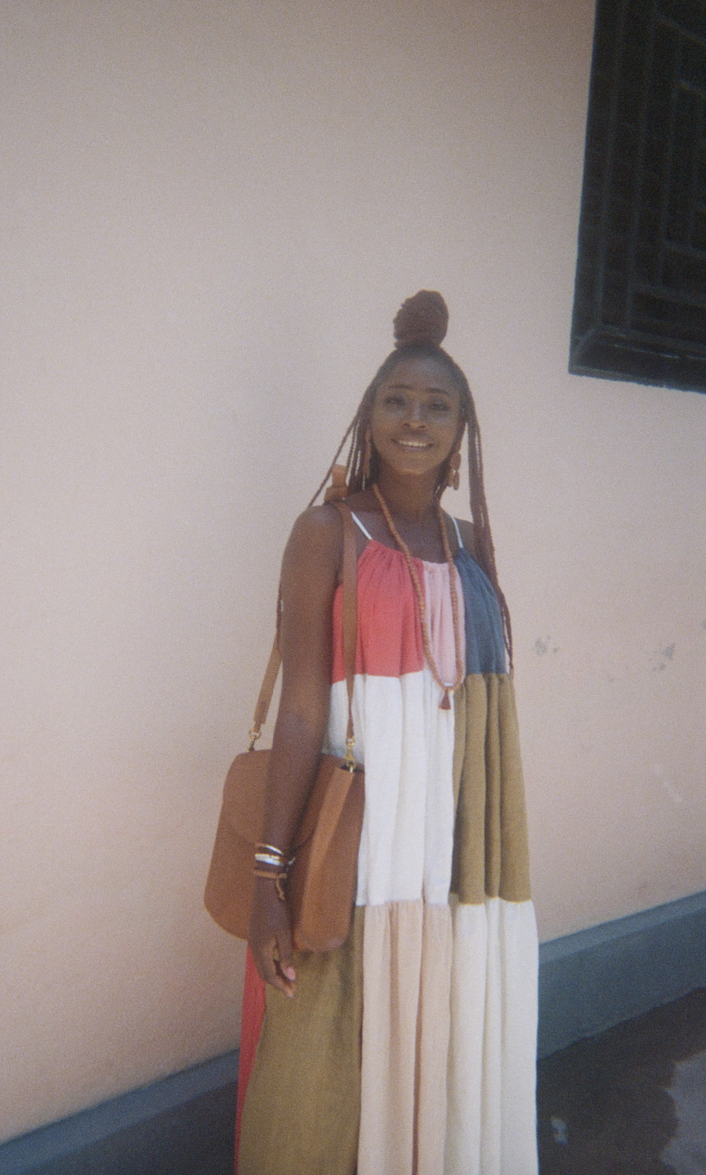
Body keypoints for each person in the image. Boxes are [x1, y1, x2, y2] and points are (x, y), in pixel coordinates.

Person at [236, 291, 538, 1175]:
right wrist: (269, 872)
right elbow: (302, 705)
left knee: (438, 1047)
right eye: (397, 400)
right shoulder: (326, 531)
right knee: (323, 1061)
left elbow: (481, 708)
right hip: (355, 845)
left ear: (462, 426)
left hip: (451, 851)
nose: (416, 419)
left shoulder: (471, 542)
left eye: (436, 404)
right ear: (370, 416)